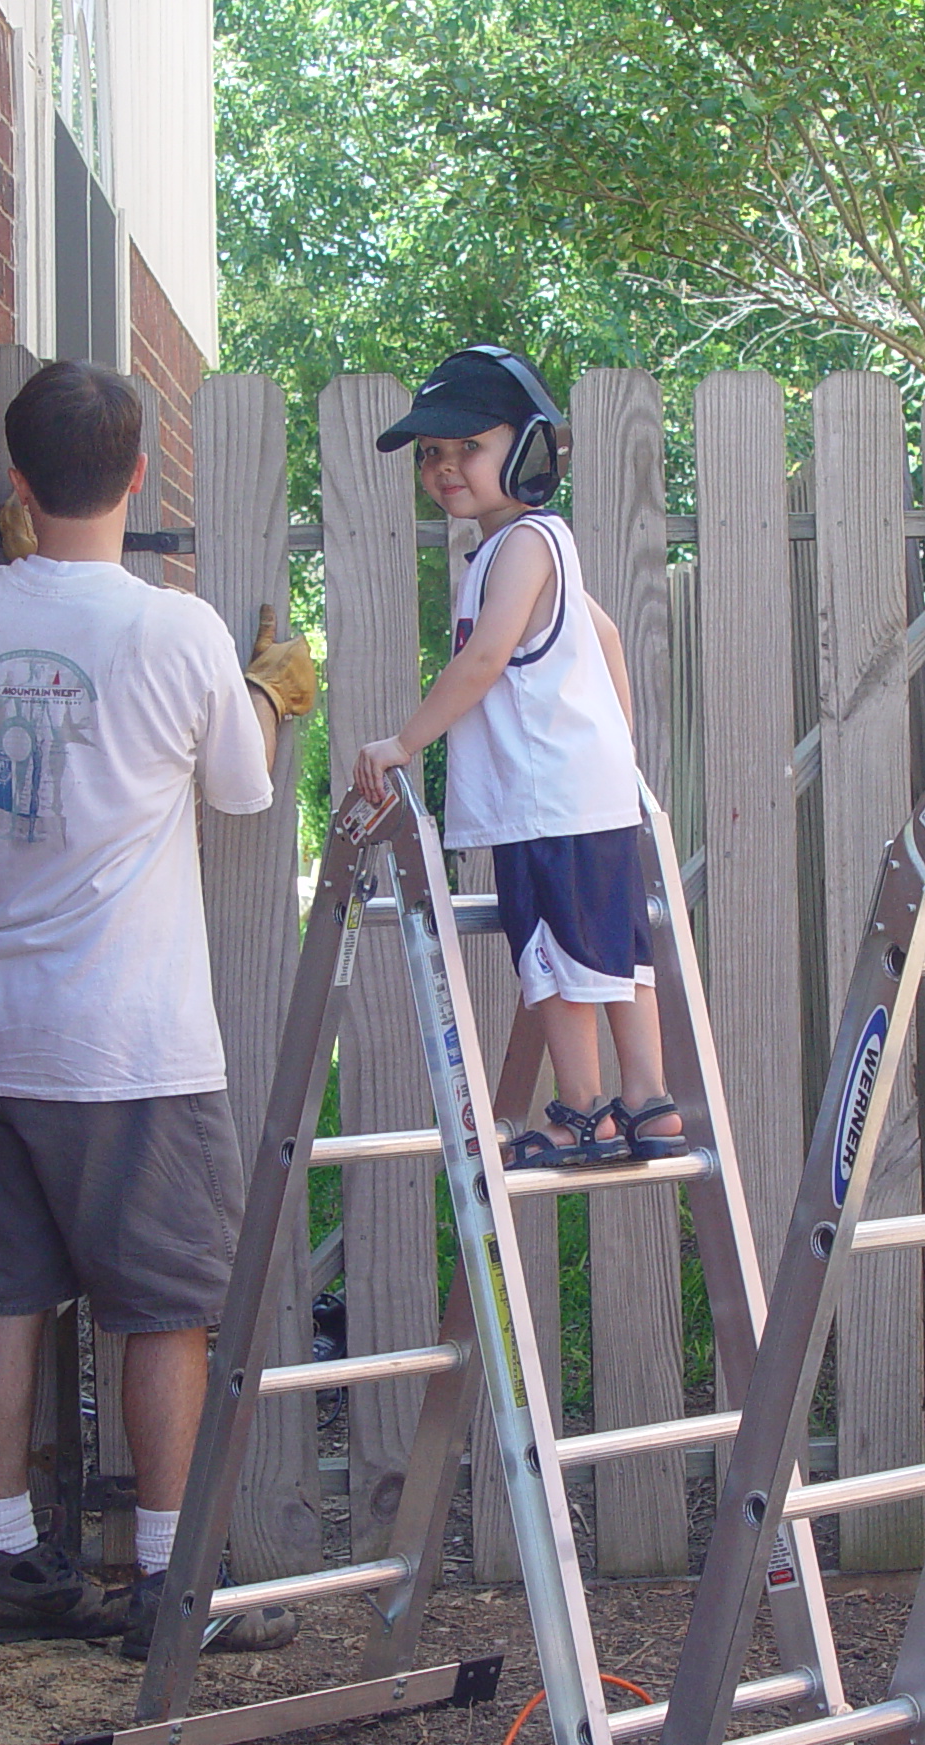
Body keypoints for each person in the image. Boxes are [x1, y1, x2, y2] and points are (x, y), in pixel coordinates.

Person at [0, 360, 318, 1656]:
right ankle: (165, 1582)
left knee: (9, 1297)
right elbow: (245, 788)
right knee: (163, 1311)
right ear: (140, 474)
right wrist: (269, 688)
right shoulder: (177, 631)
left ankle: (6, 1565)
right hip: (133, 1045)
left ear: (21, 484)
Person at [350, 346, 687, 1167]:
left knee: (556, 953)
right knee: (615, 946)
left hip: (544, 800)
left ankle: (582, 1109)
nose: (445, 467)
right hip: (582, 791)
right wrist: (618, 748)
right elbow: (604, 637)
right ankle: (647, 1099)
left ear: (531, 449)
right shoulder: (542, 544)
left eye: (470, 446)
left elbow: (484, 659)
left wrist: (403, 742)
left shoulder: (522, 547)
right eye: (432, 454)